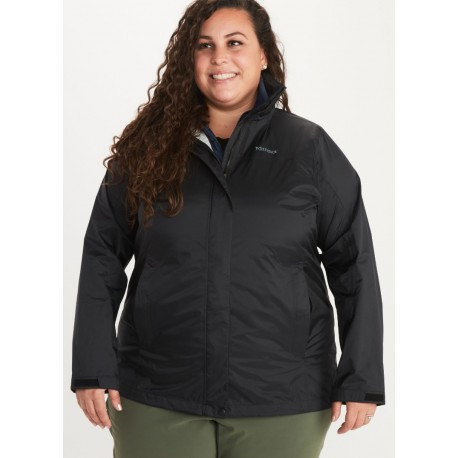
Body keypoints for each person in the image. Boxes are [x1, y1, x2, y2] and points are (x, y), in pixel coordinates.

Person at [70, 0, 386, 457]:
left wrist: (361, 377)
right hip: (157, 391)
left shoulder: (308, 149)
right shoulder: (147, 150)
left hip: (282, 397)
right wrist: (92, 365)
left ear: (263, 54)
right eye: (205, 46)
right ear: (190, 59)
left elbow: (354, 264)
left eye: (235, 43)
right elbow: (102, 255)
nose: (220, 58)